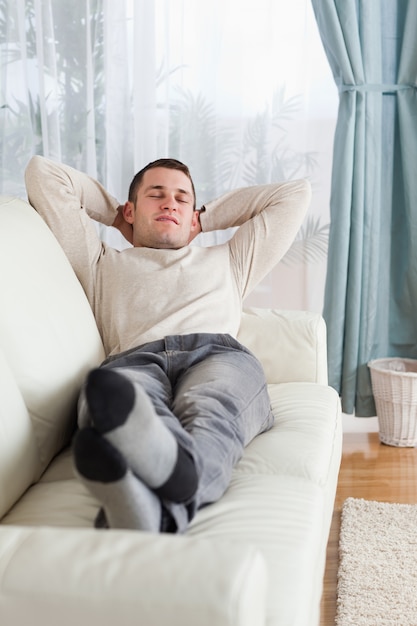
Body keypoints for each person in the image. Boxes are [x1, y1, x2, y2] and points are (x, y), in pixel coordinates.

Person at [25, 155, 311, 534]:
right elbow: (43, 174)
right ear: (131, 209)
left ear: (193, 212)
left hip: (217, 355)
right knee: (117, 400)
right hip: (134, 361)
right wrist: (115, 216)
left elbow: (294, 194)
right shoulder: (99, 262)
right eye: (156, 195)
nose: (169, 204)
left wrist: (204, 219)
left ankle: (158, 491)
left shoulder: (232, 258)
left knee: (209, 408)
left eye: (182, 199)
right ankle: (165, 487)